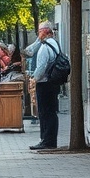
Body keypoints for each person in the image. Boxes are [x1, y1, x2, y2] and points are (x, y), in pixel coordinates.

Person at [28, 21, 62, 150]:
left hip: (45, 83)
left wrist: (34, 79)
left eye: (39, 31)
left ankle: (46, 140)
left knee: (45, 112)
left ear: (45, 31)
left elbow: (41, 67)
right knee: (51, 112)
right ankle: (50, 140)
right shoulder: (55, 44)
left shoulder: (45, 47)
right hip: (53, 82)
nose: (38, 34)